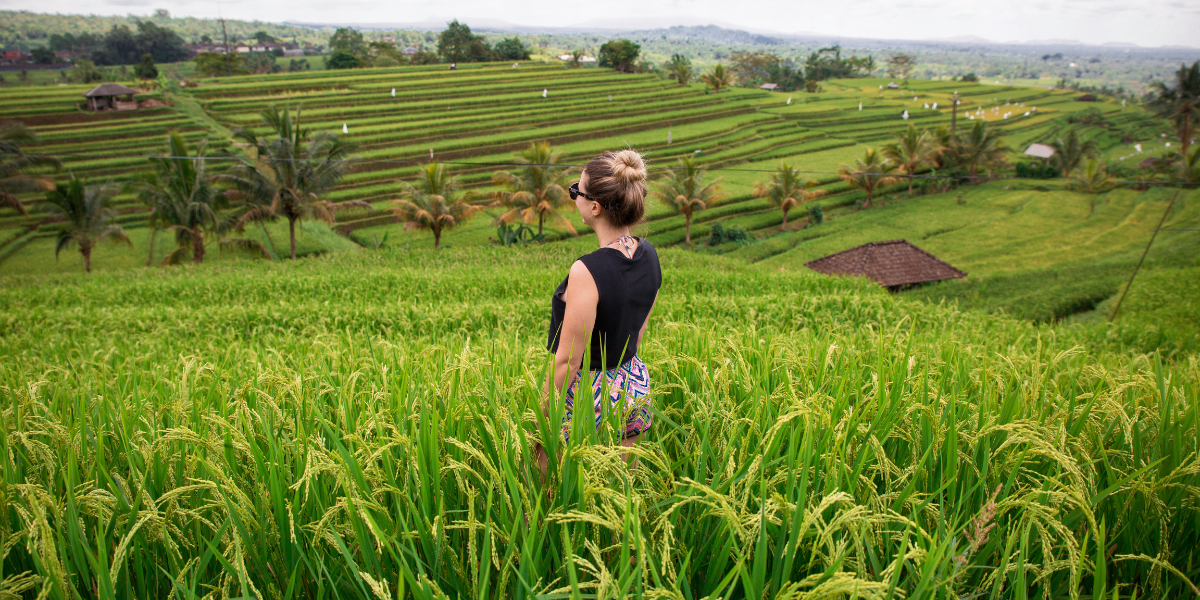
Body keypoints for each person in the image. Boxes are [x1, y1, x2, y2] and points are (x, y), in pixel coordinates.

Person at [538, 150, 661, 474]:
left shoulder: (587, 271)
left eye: (575, 190)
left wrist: (541, 416)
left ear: (594, 206)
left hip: (588, 394)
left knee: (550, 487)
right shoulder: (649, 254)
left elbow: (568, 361)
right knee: (619, 491)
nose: (573, 195)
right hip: (633, 384)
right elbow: (638, 329)